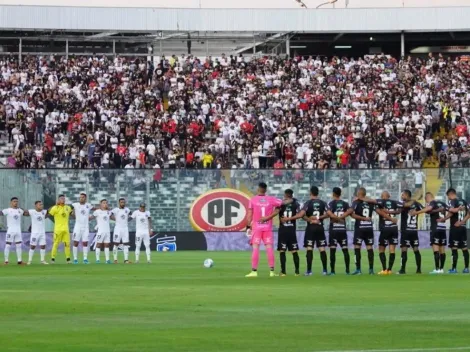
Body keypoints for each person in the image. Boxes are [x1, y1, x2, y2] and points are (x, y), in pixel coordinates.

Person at [286, 186, 329, 276]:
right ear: (318, 193)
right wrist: (319, 218)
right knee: (322, 249)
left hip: (311, 228)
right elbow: (329, 214)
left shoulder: (307, 203)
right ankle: (325, 270)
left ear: (310, 193)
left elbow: (301, 214)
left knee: (309, 249)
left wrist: (309, 220)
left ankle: (309, 271)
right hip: (320, 227)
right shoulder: (323, 203)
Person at [245, 182, 283, 278]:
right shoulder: (271, 199)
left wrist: (248, 227)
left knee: (255, 248)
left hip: (257, 228)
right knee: (269, 247)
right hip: (267, 228)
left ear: (258, 189)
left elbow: (249, 215)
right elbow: (281, 203)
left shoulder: (253, 200)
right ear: (265, 190)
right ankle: (272, 271)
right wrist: (270, 216)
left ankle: (254, 271)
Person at [410, 192, 447, 274]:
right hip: (443, 228)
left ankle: (437, 269)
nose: (426, 202)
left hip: (435, 228)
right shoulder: (443, 204)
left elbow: (428, 209)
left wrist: (417, 212)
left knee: (436, 249)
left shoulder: (433, 202)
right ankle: (441, 269)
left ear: (428, 197)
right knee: (442, 250)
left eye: (426, 199)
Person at [441, 188, 469, 274]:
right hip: (463, 227)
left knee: (454, 248)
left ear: (450, 194)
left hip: (455, 228)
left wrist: (445, 215)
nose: (448, 198)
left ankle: (454, 268)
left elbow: (451, 211)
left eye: (448, 196)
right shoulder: (464, 201)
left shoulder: (452, 202)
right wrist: (462, 222)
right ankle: (466, 268)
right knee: (464, 248)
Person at [325, 187, 351, 275]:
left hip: (334, 230)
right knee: (345, 250)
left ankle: (332, 271)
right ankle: (347, 271)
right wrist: (341, 218)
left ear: (333, 194)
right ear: (340, 194)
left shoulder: (331, 204)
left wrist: (335, 218)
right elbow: (349, 213)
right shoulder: (345, 204)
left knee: (332, 250)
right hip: (342, 230)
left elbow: (329, 214)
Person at [374, 192, 401, 275]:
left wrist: (386, 214)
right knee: (392, 250)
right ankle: (389, 269)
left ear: (382, 196)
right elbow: (400, 210)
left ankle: (384, 269)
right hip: (394, 228)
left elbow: (378, 211)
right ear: (389, 196)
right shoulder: (394, 202)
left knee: (381, 249)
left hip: (385, 228)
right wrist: (393, 214)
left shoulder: (380, 202)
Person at [350, 188, 376, 275]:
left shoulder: (356, 202)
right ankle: (371, 270)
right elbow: (377, 204)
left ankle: (358, 270)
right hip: (369, 228)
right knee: (369, 248)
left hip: (359, 228)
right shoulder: (371, 202)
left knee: (357, 248)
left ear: (358, 193)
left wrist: (362, 218)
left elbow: (352, 214)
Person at [398, 190, 423, 274]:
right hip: (414, 230)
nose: (402, 196)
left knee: (404, 250)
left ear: (407, 196)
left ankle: (402, 269)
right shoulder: (416, 204)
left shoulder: (403, 204)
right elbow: (424, 209)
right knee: (416, 250)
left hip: (406, 231)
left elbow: (400, 209)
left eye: (403, 195)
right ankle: (419, 270)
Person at [277, 189, 301, 276]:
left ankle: (283, 272)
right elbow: (300, 214)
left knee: (282, 251)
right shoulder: (296, 203)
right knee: (294, 251)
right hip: (292, 230)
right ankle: (297, 272)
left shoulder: (280, 204)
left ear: (285, 195)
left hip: (283, 230)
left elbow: (275, 211)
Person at [1, 197, 26, 264]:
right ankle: (6, 261)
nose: (16, 203)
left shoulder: (20, 210)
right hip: (10, 230)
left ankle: (19, 261)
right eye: (14, 201)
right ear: (11, 202)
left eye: (17, 201)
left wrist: (24, 210)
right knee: (8, 245)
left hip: (18, 230)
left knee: (19, 245)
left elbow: (26, 214)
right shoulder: (7, 210)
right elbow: (0, 213)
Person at [48, 195, 73, 264]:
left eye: (64, 199)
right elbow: (49, 213)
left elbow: (72, 214)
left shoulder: (68, 207)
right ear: (58, 200)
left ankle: (68, 259)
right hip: (58, 229)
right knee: (56, 244)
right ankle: (52, 259)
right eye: (61, 199)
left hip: (66, 229)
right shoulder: (55, 208)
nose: (63, 200)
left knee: (67, 244)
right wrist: (54, 205)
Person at [71, 193, 95, 264]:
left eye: (83, 197)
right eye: (80, 197)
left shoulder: (88, 205)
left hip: (86, 227)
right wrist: (73, 215)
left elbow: (96, 210)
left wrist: (92, 217)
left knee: (85, 243)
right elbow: (70, 212)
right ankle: (75, 259)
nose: (81, 198)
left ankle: (85, 259)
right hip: (77, 226)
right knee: (75, 242)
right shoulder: (75, 205)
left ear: (85, 198)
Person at [26, 201, 48, 265]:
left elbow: (49, 211)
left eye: (42, 204)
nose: (41, 206)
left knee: (43, 246)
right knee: (32, 246)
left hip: (42, 232)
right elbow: (24, 213)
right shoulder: (32, 212)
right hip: (35, 233)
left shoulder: (44, 211)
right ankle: (29, 260)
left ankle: (42, 260)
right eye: (40, 205)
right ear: (36, 206)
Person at [90, 199, 112, 264]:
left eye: (106, 203)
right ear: (101, 204)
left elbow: (114, 218)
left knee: (107, 245)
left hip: (107, 231)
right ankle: (97, 260)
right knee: (98, 245)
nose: (105, 204)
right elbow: (91, 218)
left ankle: (107, 260)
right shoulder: (97, 211)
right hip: (100, 231)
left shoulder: (109, 212)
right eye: (104, 203)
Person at [111, 198, 131, 264]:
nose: (123, 203)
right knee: (116, 244)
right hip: (118, 229)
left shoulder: (127, 210)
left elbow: (131, 216)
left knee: (126, 244)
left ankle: (126, 260)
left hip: (125, 228)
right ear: (119, 203)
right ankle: (115, 260)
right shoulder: (115, 210)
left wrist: (126, 221)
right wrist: (115, 219)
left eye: (124, 202)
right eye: (121, 202)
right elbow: (109, 215)